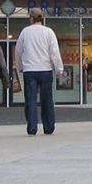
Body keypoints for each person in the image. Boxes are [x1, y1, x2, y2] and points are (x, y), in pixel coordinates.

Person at [15, 8, 63, 136]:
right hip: (46, 70)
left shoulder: (25, 32)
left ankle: (32, 127)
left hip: (30, 70)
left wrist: (20, 67)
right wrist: (59, 68)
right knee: (47, 99)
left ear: (31, 18)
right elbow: (54, 52)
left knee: (30, 100)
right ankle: (48, 127)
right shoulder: (49, 32)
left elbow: (18, 51)